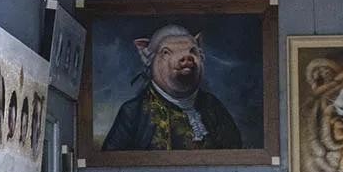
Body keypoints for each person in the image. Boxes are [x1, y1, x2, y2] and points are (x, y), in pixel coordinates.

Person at [101, 24, 242, 151]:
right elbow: (112, 161)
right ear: (148, 57)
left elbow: (235, 152)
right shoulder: (133, 112)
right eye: (166, 52)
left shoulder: (212, 106)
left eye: (192, 51)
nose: (186, 57)